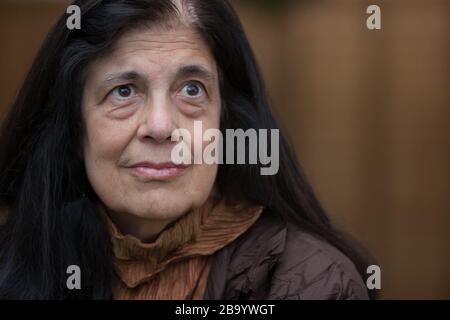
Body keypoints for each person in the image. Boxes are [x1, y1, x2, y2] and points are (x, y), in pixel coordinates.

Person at [0, 0, 374, 300]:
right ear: (74, 128)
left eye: (192, 90)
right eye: (124, 91)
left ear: (226, 121)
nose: (161, 128)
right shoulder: (12, 262)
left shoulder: (309, 282)